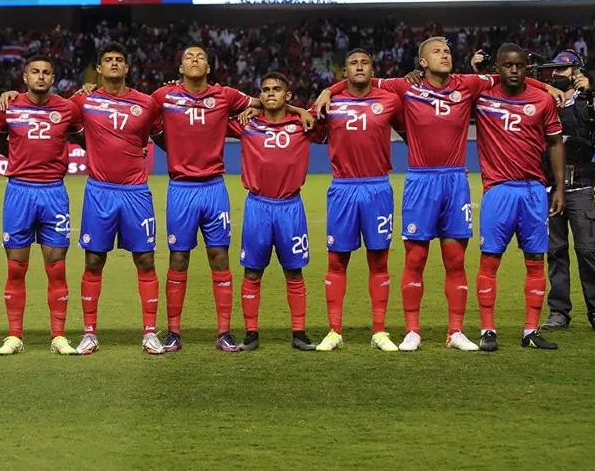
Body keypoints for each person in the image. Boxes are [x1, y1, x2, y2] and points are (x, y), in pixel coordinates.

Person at [315, 37, 564, 351]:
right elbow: (359, 78)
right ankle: (412, 330)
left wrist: (543, 87)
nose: (444, 55)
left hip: (455, 181)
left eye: (446, 51)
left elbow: (509, 74)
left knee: (455, 259)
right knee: (415, 258)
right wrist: (328, 90)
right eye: (436, 51)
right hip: (420, 181)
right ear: (422, 62)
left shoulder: (468, 84)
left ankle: (455, 331)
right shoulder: (405, 88)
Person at [151, 45, 313, 353]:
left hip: (215, 188)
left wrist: (298, 109)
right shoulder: (164, 96)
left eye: (200, 56)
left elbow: (266, 101)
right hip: (180, 188)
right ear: (180, 67)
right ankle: (173, 332)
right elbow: (140, 116)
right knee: (178, 258)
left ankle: (224, 332)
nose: (195, 60)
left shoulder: (225, 95)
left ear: (209, 66)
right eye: (188, 56)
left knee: (219, 257)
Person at [0, 55, 85, 356]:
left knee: (56, 268)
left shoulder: (68, 109)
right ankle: (15, 335)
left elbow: (86, 137)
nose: (40, 77)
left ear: (53, 78)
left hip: (54, 192)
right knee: (16, 268)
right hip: (19, 192)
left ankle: (58, 336)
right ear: (24, 77)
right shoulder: (8, 107)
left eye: (46, 73)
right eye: (35, 72)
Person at [72, 42, 166, 355]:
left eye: (119, 60)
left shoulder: (146, 103)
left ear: (127, 68)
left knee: (145, 259)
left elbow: (159, 136)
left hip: (136, 192)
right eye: (108, 60)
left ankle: (150, 332)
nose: (114, 64)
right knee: (94, 260)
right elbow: (64, 122)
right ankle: (89, 333)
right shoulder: (84, 100)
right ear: (98, 69)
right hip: (99, 191)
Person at [473, 43, 565, 351]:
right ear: (497, 68)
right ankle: (488, 331)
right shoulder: (481, 95)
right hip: (498, 191)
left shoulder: (542, 101)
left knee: (536, 261)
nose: (514, 70)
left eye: (520, 65)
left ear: (527, 67)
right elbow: (448, 82)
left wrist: (559, 188)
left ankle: (530, 331)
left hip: (533, 191)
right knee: (490, 261)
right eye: (508, 65)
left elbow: (554, 144)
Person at [315, 49, 405, 352]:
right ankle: (334, 330)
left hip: (378, 187)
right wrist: (328, 91)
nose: (359, 66)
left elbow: (410, 130)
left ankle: (379, 331)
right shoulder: (330, 103)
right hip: (342, 187)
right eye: (353, 63)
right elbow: (308, 128)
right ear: (344, 71)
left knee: (378, 260)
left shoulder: (389, 100)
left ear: (373, 68)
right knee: (336, 260)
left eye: (365, 62)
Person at [228, 73, 325, 351]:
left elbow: (327, 121)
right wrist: (252, 107)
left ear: (288, 95)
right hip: (257, 206)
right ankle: (251, 334)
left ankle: (299, 333)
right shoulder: (248, 124)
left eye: (277, 90)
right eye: (266, 90)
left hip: (290, 207)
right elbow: (215, 117)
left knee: (294, 272)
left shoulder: (302, 124)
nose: (271, 94)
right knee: (252, 272)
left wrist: (299, 111)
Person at [538, 51, 595, 332]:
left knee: (588, 251)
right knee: (556, 251)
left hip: (581, 186)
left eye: (562, 70)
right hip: (549, 186)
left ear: (577, 72)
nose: (555, 74)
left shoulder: (590, 102)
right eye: (553, 70)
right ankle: (559, 312)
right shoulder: (545, 101)